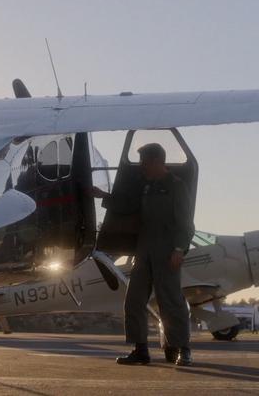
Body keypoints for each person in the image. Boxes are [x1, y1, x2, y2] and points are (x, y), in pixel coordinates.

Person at [93, 143, 195, 366]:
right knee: (134, 300)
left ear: (158, 161)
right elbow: (127, 206)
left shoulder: (177, 187)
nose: (142, 167)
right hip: (144, 248)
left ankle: (183, 349)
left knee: (171, 300)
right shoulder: (147, 187)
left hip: (167, 250)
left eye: (145, 162)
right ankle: (140, 350)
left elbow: (186, 224)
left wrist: (179, 249)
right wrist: (103, 196)